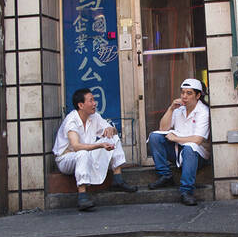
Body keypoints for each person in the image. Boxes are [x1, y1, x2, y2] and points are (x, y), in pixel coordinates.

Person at [53, 88, 137, 211]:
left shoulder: (94, 116)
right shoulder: (71, 121)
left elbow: (108, 129)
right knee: (82, 153)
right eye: (91, 100)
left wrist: (110, 130)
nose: (94, 103)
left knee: (112, 138)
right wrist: (100, 145)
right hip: (66, 159)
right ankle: (82, 196)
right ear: (81, 105)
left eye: (94, 100)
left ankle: (118, 179)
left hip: (87, 154)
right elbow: (76, 146)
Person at [147, 78, 210, 206]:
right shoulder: (179, 109)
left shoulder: (203, 111)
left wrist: (176, 138)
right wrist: (170, 109)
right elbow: (163, 128)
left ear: (198, 95)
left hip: (197, 155)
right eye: (183, 93)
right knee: (154, 137)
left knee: (189, 148)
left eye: (189, 93)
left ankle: (186, 191)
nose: (184, 96)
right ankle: (165, 175)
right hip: (178, 150)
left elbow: (197, 139)